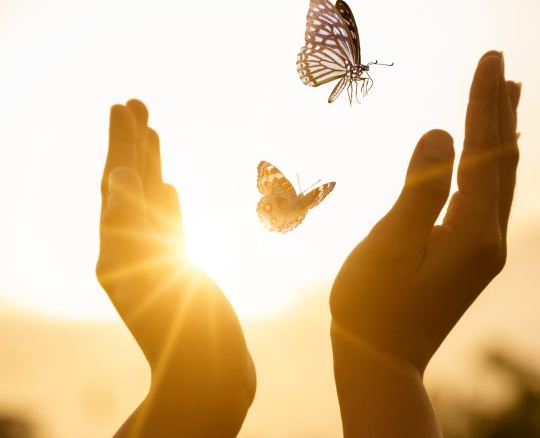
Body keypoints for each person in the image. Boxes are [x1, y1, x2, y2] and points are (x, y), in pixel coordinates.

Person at [97, 51, 520, 437]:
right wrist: (386, 359)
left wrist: (197, 385)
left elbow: (204, 385)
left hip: (283, 216)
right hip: (288, 218)